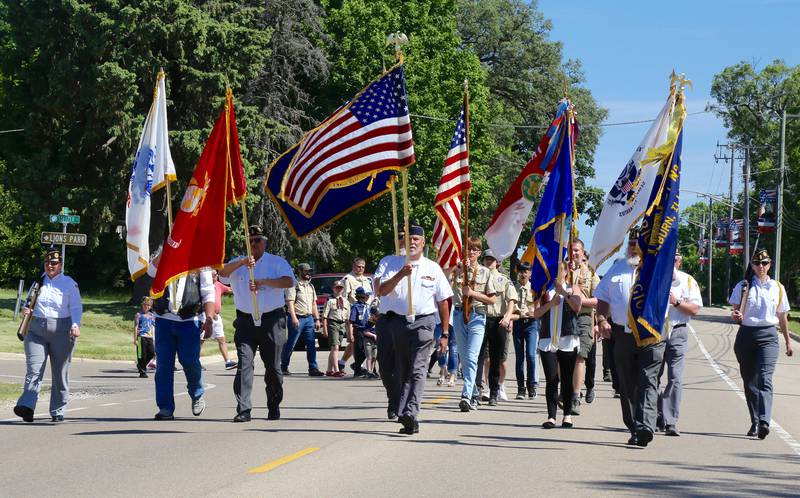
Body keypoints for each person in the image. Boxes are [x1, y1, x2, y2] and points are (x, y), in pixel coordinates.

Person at [374, 221, 452, 434]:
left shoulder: (432, 268)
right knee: (397, 370)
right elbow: (380, 290)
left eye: (416, 239)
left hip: (424, 322)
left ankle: (410, 413)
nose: (412, 243)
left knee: (418, 370)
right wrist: (400, 274)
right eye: (408, 239)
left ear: (423, 242)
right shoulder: (390, 262)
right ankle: (400, 406)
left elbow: (444, 300)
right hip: (396, 322)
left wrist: (444, 332)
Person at [219, 226, 295, 423]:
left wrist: (264, 282)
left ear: (265, 242)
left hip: (272, 320)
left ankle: (273, 404)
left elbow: (289, 282)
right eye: (250, 240)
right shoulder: (238, 262)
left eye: (257, 240)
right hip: (245, 321)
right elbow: (222, 274)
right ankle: (244, 408)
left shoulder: (276, 262)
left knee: (273, 368)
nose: (253, 244)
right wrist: (242, 263)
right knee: (244, 363)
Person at [595, 229, 664, 447]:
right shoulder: (617, 268)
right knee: (627, 384)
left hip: (650, 336)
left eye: (638, 243)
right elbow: (602, 297)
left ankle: (645, 426)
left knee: (648, 381)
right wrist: (601, 320)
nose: (634, 246)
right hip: (622, 335)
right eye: (631, 242)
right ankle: (634, 426)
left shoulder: (656, 268)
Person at [729, 248, 793, 439]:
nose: (761, 267)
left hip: (769, 336)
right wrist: (736, 315)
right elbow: (735, 312)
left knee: (765, 378)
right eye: (757, 263)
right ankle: (755, 421)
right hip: (746, 335)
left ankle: (764, 421)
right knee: (750, 382)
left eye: (765, 263)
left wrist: (788, 341)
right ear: (752, 266)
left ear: (770, 264)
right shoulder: (743, 286)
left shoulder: (778, 287)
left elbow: (782, 316)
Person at [14, 249, 82, 423]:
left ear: (60, 265)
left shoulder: (69, 283)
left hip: (62, 329)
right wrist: (26, 309)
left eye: (54, 263)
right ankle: (27, 407)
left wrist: (75, 324)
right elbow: (29, 301)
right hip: (36, 329)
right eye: (47, 263)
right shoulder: (38, 282)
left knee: (60, 372)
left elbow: (75, 307)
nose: (50, 266)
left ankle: (58, 409)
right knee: (34, 370)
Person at [148, 251, 215, 421]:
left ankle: (197, 394)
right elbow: (150, 271)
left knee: (189, 361)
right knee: (163, 366)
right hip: (164, 319)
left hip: (190, 321)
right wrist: (166, 250)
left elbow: (208, 293)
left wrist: (208, 319)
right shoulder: (166, 257)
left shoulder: (202, 263)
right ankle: (165, 407)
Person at [656, 252, 702, 436]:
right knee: (653, 376)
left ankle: (670, 421)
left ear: (679, 262)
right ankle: (657, 414)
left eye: (674, 260)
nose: (671, 263)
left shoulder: (688, 280)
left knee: (675, 376)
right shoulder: (655, 277)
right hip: (656, 331)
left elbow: (695, 309)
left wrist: (676, 302)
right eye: (668, 259)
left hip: (678, 330)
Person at [451, 237, 497, 412]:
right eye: (468, 249)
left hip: (477, 316)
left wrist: (472, 293)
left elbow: (492, 299)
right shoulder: (458, 270)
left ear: (479, 253)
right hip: (459, 314)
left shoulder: (485, 272)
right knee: (464, 357)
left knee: (471, 356)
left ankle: (466, 395)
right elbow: (445, 282)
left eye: (474, 249)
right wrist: (456, 271)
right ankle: (475, 392)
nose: (470, 252)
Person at [563, 240, 599, 415]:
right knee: (563, 356)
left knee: (580, 357)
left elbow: (598, 300)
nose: (574, 253)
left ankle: (575, 396)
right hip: (564, 317)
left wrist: (579, 301)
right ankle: (566, 391)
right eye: (571, 250)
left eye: (577, 250)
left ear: (583, 253)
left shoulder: (591, 273)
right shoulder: (561, 270)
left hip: (584, 317)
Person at [535, 286, 578, 429]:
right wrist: (551, 303)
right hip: (548, 339)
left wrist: (565, 293)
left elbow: (577, 307)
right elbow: (536, 313)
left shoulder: (573, 287)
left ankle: (567, 415)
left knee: (566, 378)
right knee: (551, 379)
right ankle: (551, 417)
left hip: (567, 338)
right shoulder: (543, 289)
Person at [480, 249, 518, 406]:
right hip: (481, 319)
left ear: (497, 262)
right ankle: (479, 389)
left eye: (491, 259)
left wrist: (508, 316)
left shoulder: (504, 280)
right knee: (480, 357)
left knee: (496, 359)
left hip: (498, 321)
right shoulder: (478, 278)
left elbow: (512, 299)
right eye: (486, 259)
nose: (489, 261)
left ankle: (494, 392)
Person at [282, 263, 324, 377]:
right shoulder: (293, 285)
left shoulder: (310, 286)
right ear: (299, 272)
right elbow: (290, 302)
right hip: (298, 318)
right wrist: (294, 317)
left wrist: (317, 319)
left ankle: (313, 368)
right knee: (291, 343)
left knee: (311, 344)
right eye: (306, 271)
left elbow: (313, 303)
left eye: (309, 271)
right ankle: (283, 366)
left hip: (309, 318)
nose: (308, 273)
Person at [512, 262, 539, 399]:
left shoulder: (535, 288)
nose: (523, 274)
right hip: (517, 323)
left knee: (531, 355)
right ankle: (521, 388)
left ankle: (531, 385)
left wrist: (535, 311)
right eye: (521, 271)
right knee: (519, 357)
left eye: (526, 271)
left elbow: (540, 304)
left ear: (530, 274)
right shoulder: (513, 288)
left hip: (531, 324)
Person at [341, 257, 373, 373]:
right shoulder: (348, 279)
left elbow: (371, 297)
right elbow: (344, 297)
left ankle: (345, 363)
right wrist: (346, 315)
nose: (361, 269)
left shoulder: (367, 280)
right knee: (355, 341)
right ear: (353, 266)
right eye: (358, 266)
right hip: (354, 314)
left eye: (363, 267)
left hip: (367, 314)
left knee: (363, 341)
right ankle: (357, 365)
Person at [206, 271, 237, 370]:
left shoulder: (218, 285)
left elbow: (230, 289)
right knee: (200, 340)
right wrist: (211, 313)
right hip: (206, 316)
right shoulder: (204, 287)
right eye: (214, 275)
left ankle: (228, 362)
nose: (217, 276)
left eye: (216, 274)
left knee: (221, 339)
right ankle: (195, 361)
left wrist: (242, 287)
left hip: (216, 317)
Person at [322, 279, 350, 377]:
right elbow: (324, 316)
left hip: (342, 324)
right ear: (333, 289)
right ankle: (336, 370)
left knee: (335, 348)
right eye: (337, 288)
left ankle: (329, 370)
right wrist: (324, 329)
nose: (339, 290)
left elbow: (347, 318)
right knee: (335, 347)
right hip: (332, 323)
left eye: (340, 288)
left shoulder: (346, 301)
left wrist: (349, 332)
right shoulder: (330, 301)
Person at [349, 287, 378, 378]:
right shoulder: (355, 307)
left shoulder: (368, 306)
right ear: (361, 295)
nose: (368, 296)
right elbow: (351, 321)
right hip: (358, 330)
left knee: (371, 352)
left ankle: (372, 370)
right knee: (360, 351)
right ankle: (357, 369)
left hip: (368, 330)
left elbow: (371, 318)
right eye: (367, 295)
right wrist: (350, 334)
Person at [134, 297, 156, 378]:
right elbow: (136, 327)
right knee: (141, 355)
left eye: (148, 305)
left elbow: (155, 324)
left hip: (149, 337)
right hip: (141, 337)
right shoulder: (138, 315)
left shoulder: (152, 315)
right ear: (142, 305)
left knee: (151, 353)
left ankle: (140, 366)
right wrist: (135, 339)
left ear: (150, 306)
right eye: (145, 304)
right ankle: (142, 372)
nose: (146, 306)